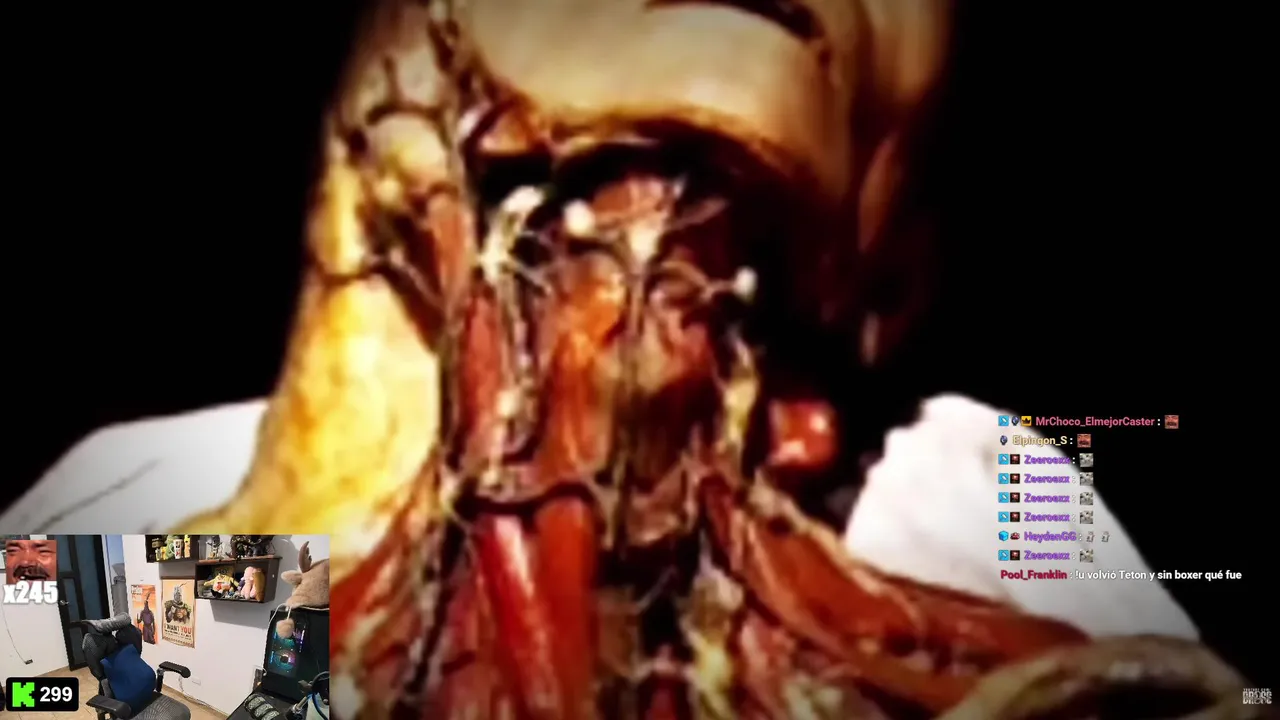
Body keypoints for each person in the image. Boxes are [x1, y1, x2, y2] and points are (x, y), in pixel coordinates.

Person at [0, 0, 1196, 657]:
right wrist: (325, 499)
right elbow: (42, 666)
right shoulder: (147, 494)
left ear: (897, 259)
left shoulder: (982, 487)